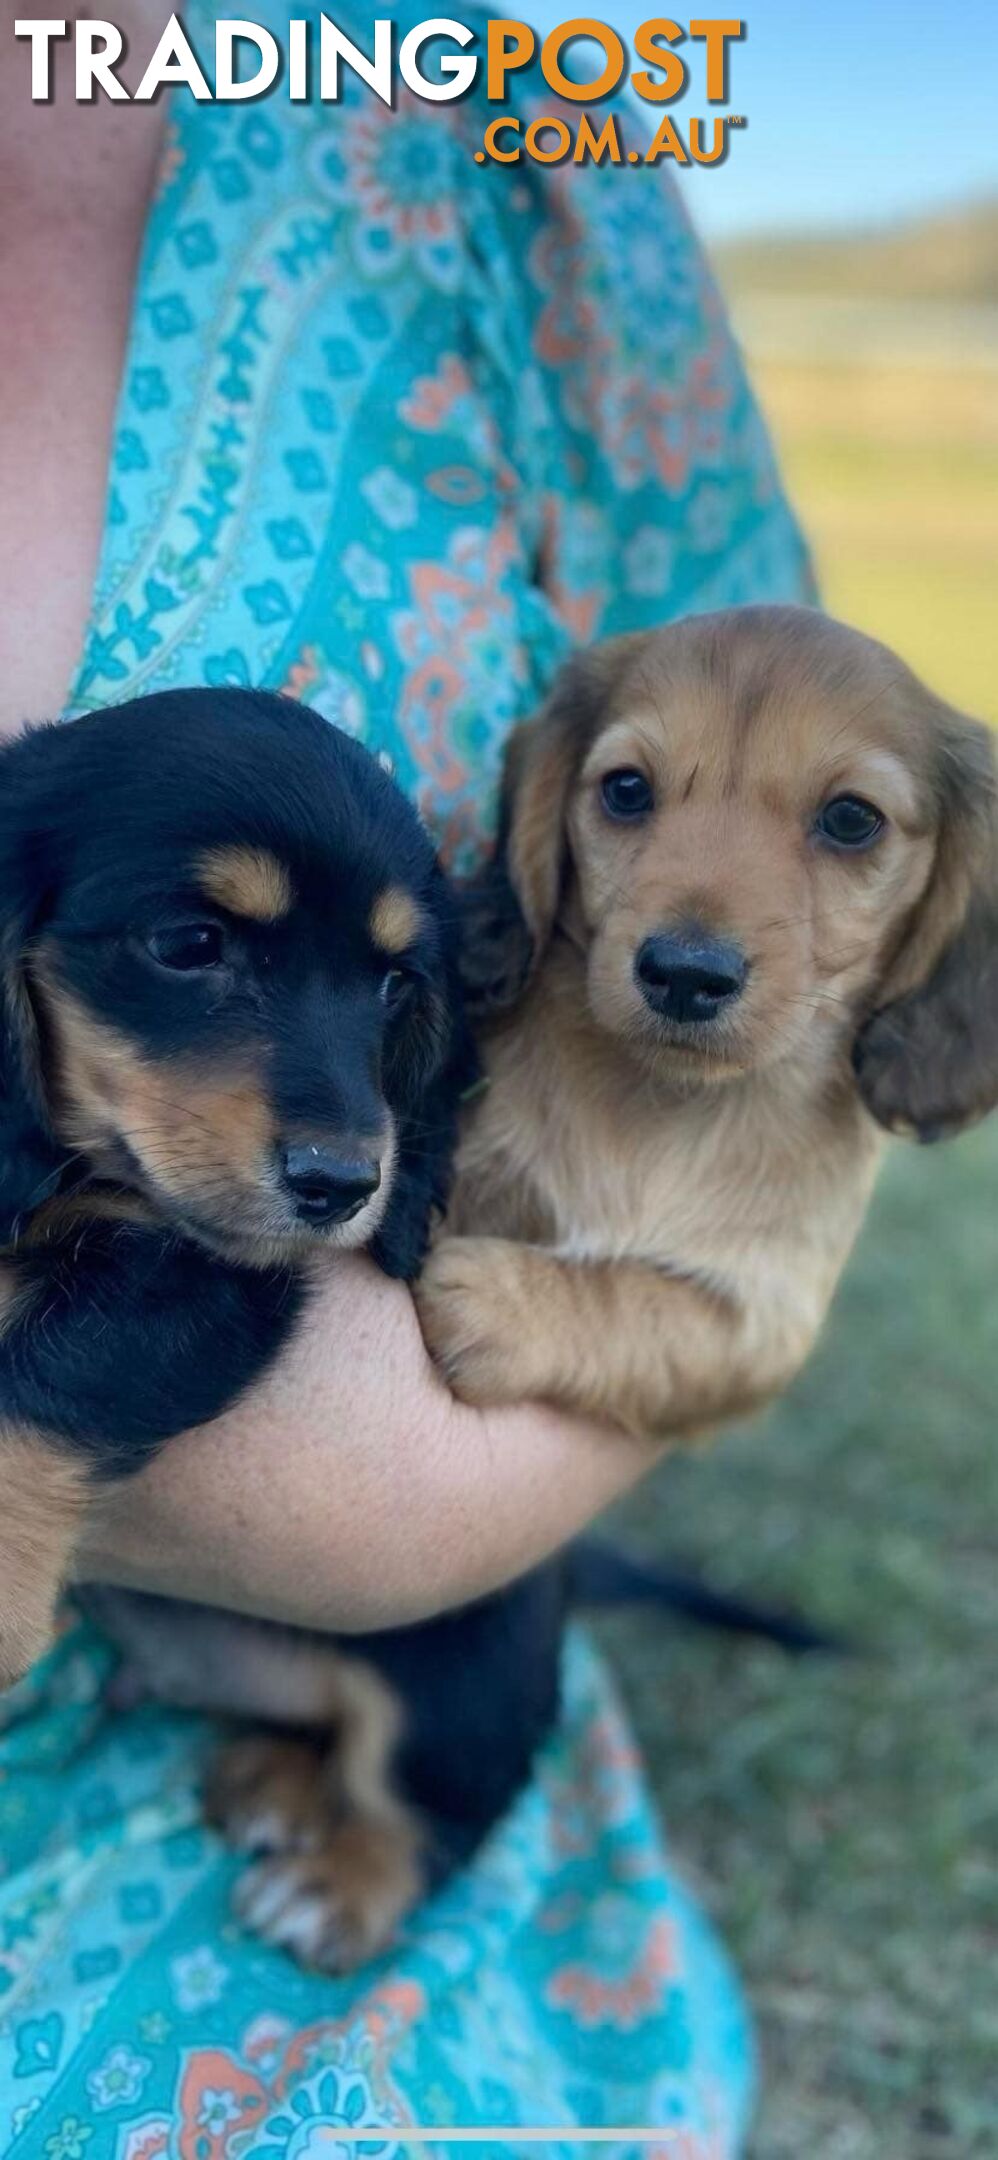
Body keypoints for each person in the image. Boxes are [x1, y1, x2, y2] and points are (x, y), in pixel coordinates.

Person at [0, 4, 813, 2150]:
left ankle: (390, 1828)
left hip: (362, 1658)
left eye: (381, 1007)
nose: (334, 1112)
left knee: (470, 1669)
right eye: (192, 950)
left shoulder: (483, 98)